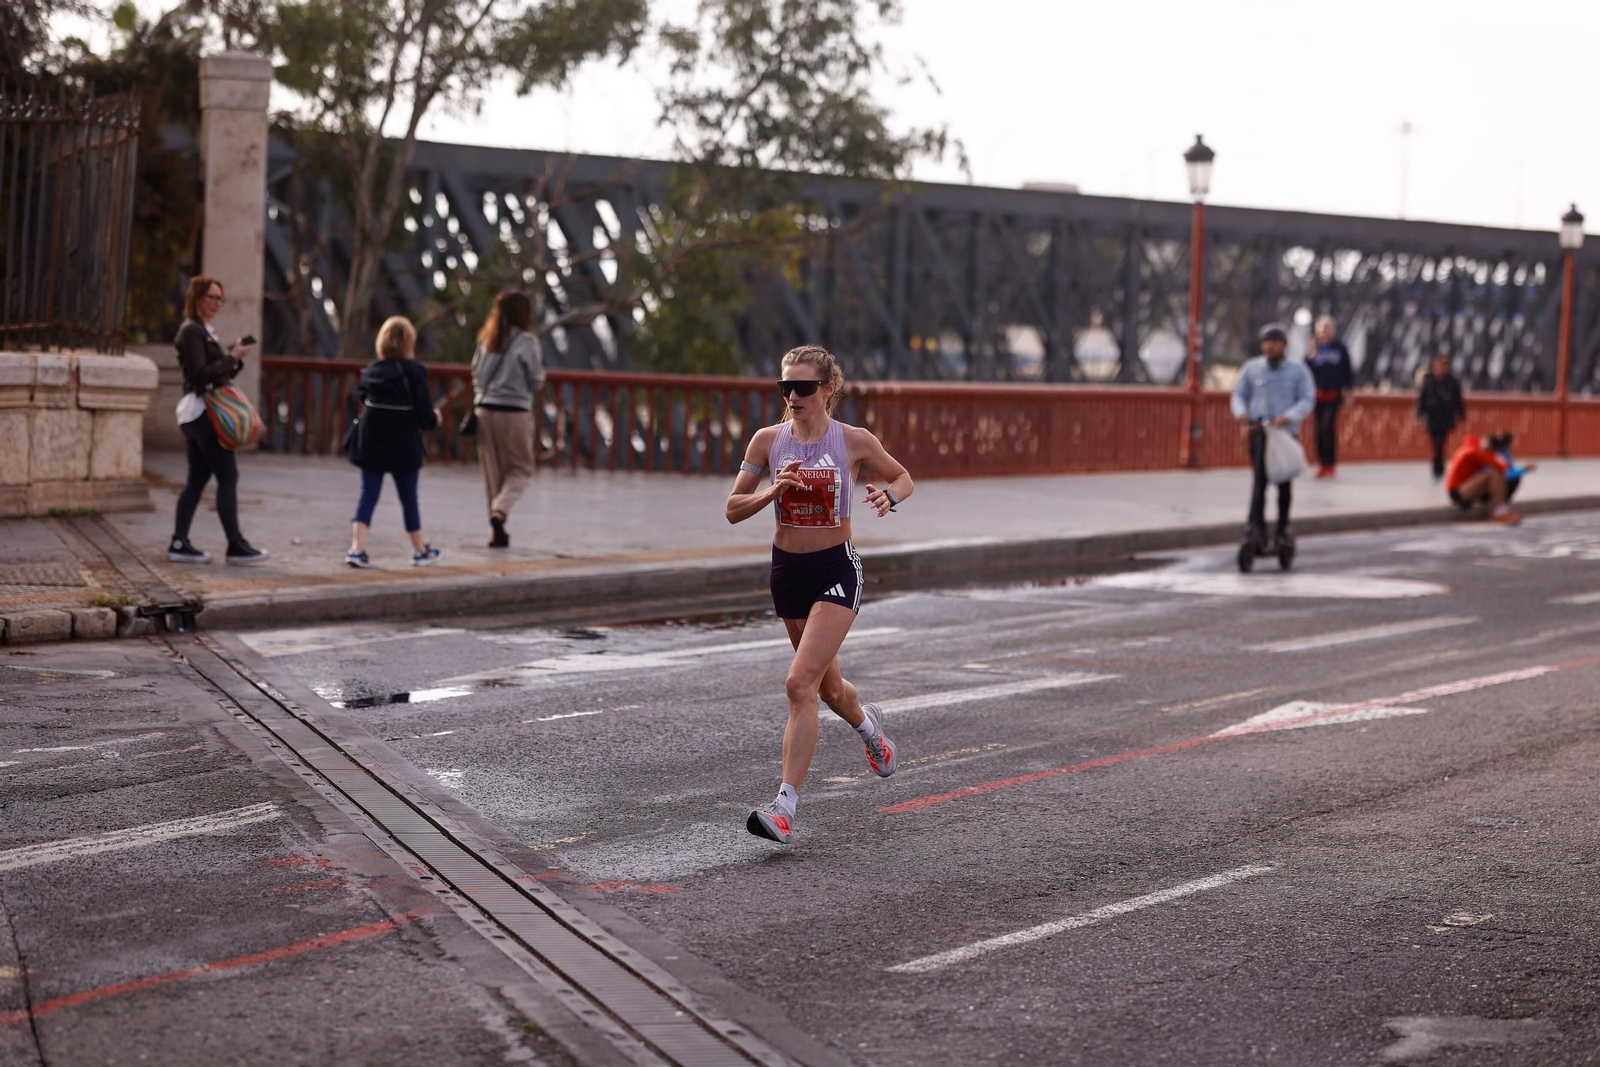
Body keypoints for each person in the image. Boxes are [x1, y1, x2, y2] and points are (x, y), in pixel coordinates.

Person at [725, 345, 914, 844]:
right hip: (788, 572)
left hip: (836, 570)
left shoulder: (852, 440)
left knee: (798, 684)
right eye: (785, 386)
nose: (793, 395)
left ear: (828, 389)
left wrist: (889, 496)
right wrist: (773, 491)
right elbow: (733, 508)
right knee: (828, 691)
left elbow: (903, 477)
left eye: (804, 386)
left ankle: (784, 809)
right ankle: (870, 729)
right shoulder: (767, 441)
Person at [167, 276, 269, 565]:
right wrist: (231, 357)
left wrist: (234, 357)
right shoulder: (191, 331)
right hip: (201, 412)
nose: (216, 303)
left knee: (197, 480)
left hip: (199, 412)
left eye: (220, 298)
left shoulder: (202, 330)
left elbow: (216, 372)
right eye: (211, 297)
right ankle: (235, 545)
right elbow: (200, 376)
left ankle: (179, 542)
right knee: (228, 476)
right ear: (197, 298)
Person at [344, 317, 442, 568]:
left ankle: (356, 549)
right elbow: (425, 414)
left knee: (368, 495)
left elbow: (358, 397)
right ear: (409, 342)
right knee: (409, 498)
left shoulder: (371, 370)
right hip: (403, 444)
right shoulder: (415, 372)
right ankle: (420, 551)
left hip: (371, 442)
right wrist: (436, 418)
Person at [470, 289, 545, 548]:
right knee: (521, 470)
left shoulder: (487, 341)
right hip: (514, 412)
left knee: (492, 475)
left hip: (484, 411)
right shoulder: (527, 341)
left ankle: (496, 533)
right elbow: (536, 380)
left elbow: (475, 374)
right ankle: (500, 511)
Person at [1231, 324, 1315, 549]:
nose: (1271, 346)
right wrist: (1240, 413)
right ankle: (1255, 528)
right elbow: (1239, 394)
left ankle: (1283, 528)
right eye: (1267, 342)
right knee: (1259, 482)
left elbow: (1307, 399)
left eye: (1275, 342)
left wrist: (1289, 416)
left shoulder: (1298, 371)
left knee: (1284, 484)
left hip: (1284, 434)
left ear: (1284, 345)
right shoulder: (1252, 368)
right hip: (1259, 433)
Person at [1307, 316, 1353, 478]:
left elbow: (1347, 370)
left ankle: (1330, 464)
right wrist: (1311, 354)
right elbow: (1305, 372)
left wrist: (1348, 391)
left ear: (1332, 330)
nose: (1323, 332)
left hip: (1334, 393)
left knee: (1328, 427)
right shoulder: (1313, 348)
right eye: (1321, 329)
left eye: (1326, 328)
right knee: (1318, 430)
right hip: (1317, 394)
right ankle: (1321, 463)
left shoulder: (1340, 348)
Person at [1445, 431, 1525, 525]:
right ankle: (1499, 512)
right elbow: (1501, 466)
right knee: (1493, 473)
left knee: (1496, 475)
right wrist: (1522, 469)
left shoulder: (1472, 447)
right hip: (1457, 492)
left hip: (1464, 487)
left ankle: (1502, 509)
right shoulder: (1473, 450)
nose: (1491, 452)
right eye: (1491, 450)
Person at [1416, 353, 1466, 481]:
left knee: (1440, 443)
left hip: (1445, 417)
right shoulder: (1429, 380)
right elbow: (1422, 398)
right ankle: (1438, 468)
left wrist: (1461, 414)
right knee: (1436, 444)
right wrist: (1419, 413)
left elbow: (1458, 399)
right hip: (1432, 416)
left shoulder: (1451, 381)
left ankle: (1438, 469)